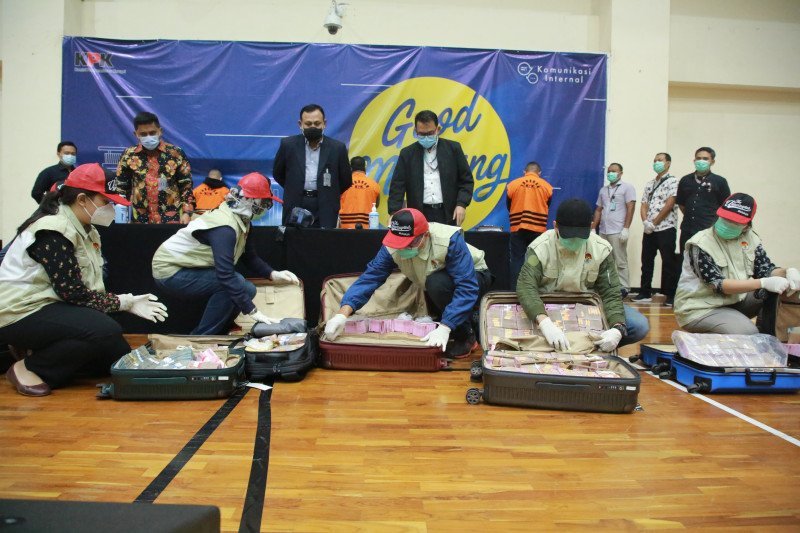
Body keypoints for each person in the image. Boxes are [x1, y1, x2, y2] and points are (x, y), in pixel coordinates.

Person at [0, 164, 168, 396]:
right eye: (105, 202)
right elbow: (73, 293)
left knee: (115, 353)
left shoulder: (86, 228)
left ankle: (42, 353)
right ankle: (30, 367)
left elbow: (86, 289)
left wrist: (117, 305)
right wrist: (125, 302)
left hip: (52, 306)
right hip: (21, 311)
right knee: (104, 331)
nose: (111, 208)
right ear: (82, 199)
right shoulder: (53, 230)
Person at [323, 208, 492, 358]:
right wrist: (342, 315)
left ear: (425, 235)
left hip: (475, 275)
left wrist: (446, 327)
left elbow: (467, 287)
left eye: (410, 243)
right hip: (434, 281)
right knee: (434, 283)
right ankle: (462, 317)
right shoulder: (391, 246)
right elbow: (370, 278)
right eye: (400, 243)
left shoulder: (449, 239)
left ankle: (466, 335)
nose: (404, 248)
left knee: (436, 283)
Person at [152, 172, 300, 335]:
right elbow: (225, 274)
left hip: (186, 266)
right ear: (248, 200)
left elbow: (249, 257)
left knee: (248, 289)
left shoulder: (241, 219)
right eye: (263, 202)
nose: (265, 206)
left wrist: (273, 274)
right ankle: (201, 337)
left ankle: (218, 331)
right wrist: (252, 311)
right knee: (236, 282)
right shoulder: (225, 228)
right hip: (169, 271)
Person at [517, 198, 650, 353]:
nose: (574, 241)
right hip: (548, 307)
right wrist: (545, 323)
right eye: (568, 236)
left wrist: (617, 328)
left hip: (587, 307)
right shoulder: (540, 248)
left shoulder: (601, 249)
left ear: (591, 227)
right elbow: (526, 286)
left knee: (639, 325)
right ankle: (557, 342)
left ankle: (596, 345)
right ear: (555, 227)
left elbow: (610, 293)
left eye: (579, 236)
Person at [674, 193, 799, 334]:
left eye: (735, 222)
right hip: (700, 308)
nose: (728, 223)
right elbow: (718, 285)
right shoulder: (700, 243)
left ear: (746, 225)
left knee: (782, 291)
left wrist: (787, 272)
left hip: (733, 301)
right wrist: (763, 283)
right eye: (725, 218)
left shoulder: (750, 238)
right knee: (748, 333)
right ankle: (710, 337)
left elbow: (765, 269)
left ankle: (768, 337)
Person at [388, 110, 474, 226]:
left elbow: (466, 180)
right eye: (422, 134)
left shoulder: (453, 149)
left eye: (430, 133)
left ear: (438, 129)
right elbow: (397, 186)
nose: (426, 137)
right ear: (415, 131)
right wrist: (394, 212)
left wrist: (461, 204)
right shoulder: (407, 153)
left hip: (448, 213)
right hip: (418, 215)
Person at [273, 104, 352, 228]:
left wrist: (328, 191)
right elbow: (278, 173)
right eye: (308, 124)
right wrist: (295, 187)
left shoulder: (338, 148)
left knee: (324, 240)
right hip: (295, 204)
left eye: (317, 123)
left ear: (324, 123)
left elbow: (346, 180)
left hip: (326, 206)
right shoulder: (288, 145)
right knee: (295, 239)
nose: (313, 127)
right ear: (300, 124)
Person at [115, 111, 195, 224]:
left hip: (171, 219)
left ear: (160, 131)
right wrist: (121, 216)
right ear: (136, 134)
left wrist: (187, 213)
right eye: (143, 134)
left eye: (152, 132)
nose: (148, 137)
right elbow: (121, 188)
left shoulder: (176, 153)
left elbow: (186, 185)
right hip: (140, 220)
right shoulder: (128, 155)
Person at [635, 152, 680, 305]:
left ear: (668, 163)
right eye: (655, 160)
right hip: (649, 229)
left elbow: (670, 203)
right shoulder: (650, 184)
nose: (656, 163)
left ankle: (670, 295)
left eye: (660, 160)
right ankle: (644, 292)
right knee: (646, 261)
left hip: (666, 227)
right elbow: (643, 204)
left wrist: (655, 222)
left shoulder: (673, 181)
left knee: (668, 262)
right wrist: (646, 222)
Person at [507, 161, 553, 289]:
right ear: (539, 173)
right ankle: (533, 289)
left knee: (517, 260)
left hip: (517, 228)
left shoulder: (512, 185)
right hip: (538, 230)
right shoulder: (547, 187)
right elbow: (548, 205)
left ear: (524, 172)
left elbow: (508, 206)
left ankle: (515, 291)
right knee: (535, 260)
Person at [592, 162, 636, 296]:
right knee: (603, 260)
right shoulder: (603, 190)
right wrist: (593, 228)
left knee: (620, 260)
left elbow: (631, 207)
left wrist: (626, 228)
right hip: (604, 230)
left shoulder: (627, 188)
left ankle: (624, 288)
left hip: (618, 230)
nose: (611, 173)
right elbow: (598, 210)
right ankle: (606, 286)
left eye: (614, 171)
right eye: (609, 171)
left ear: (620, 173)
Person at [676, 146, 730, 252]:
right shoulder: (685, 180)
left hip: (708, 230)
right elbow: (681, 203)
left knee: (706, 258)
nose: (701, 161)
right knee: (685, 258)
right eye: (698, 158)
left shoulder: (720, 181)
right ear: (694, 160)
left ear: (712, 162)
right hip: (687, 229)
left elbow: (725, 206)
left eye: (705, 159)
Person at [339, 156, 380, 229]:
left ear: (350, 168)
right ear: (365, 168)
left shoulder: (342, 183)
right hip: (368, 228)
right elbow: (376, 205)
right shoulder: (374, 184)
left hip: (345, 227)